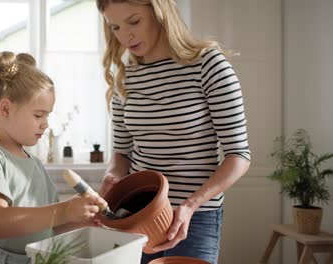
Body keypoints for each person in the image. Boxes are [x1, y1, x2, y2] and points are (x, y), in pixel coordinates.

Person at [95, 1, 251, 263]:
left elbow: (239, 155)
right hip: (136, 215)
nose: (125, 35)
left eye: (134, 21)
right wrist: (113, 175)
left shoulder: (209, 66)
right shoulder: (125, 77)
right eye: (115, 27)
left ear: (160, 13)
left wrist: (190, 205)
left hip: (197, 217)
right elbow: (122, 152)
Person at [0, 51, 107, 264]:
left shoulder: (35, 165)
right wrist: (64, 210)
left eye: (47, 115)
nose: (46, 123)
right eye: (38, 115)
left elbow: (48, 227)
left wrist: (79, 219)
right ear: (5, 109)